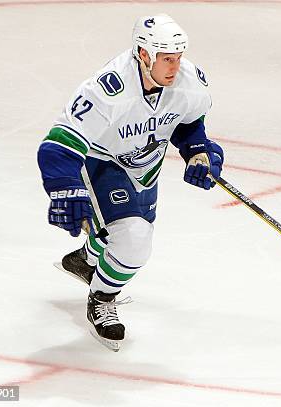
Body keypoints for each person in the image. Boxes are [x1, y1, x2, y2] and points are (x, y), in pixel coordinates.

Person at [37, 14, 224, 351]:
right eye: (166, 58)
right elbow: (58, 144)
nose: (174, 66)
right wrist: (66, 186)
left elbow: (189, 122)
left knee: (125, 236)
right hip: (101, 161)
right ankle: (102, 298)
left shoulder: (188, 81)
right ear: (143, 54)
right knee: (135, 240)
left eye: (178, 57)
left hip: (144, 166)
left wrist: (198, 152)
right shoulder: (108, 89)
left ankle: (87, 258)